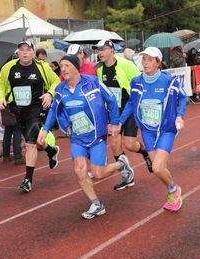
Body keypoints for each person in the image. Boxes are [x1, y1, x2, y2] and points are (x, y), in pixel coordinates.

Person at [37, 54, 134, 219]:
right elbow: (54, 110)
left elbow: (111, 99)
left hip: (97, 135)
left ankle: (121, 165)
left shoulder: (93, 82)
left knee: (98, 173)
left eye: (67, 65)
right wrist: (46, 129)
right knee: (79, 170)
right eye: (61, 66)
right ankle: (96, 204)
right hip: (77, 136)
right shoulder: (60, 89)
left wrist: (115, 122)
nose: (64, 69)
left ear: (76, 67)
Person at [120, 47, 187, 212]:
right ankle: (172, 189)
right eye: (144, 59)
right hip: (147, 131)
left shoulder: (169, 81)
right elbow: (130, 103)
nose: (146, 63)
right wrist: (119, 122)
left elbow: (183, 96)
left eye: (150, 60)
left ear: (158, 62)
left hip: (166, 129)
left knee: (157, 168)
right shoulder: (136, 81)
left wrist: (180, 115)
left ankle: (174, 190)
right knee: (159, 169)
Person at [0, 41, 61, 193]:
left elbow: (56, 81)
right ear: (18, 52)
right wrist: (0, 98)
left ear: (33, 52)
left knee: (30, 144)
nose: (25, 53)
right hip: (18, 110)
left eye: (28, 50)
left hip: (36, 109)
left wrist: (50, 94)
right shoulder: (9, 67)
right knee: (37, 142)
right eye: (21, 50)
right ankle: (51, 151)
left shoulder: (42, 67)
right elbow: (0, 84)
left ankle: (28, 180)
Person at [93, 39, 152, 190]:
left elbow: (140, 86)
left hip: (130, 109)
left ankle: (145, 152)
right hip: (113, 113)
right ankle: (127, 175)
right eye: (98, 50)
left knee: (130, 145)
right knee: (114, 145)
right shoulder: (99, 69)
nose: (100, 53)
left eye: (103, 49)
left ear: (112, 50)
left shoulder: (126, 65)